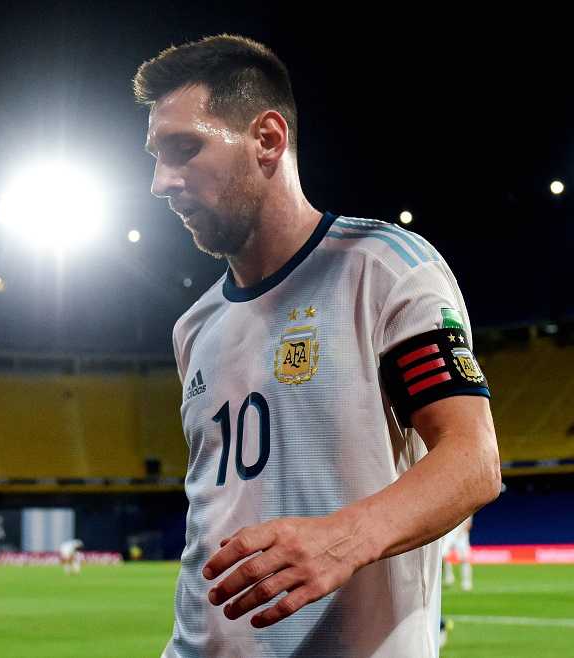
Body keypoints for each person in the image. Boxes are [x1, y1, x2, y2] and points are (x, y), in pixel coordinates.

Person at [132, 34, 501, 656]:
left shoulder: (381, 268)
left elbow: (473, 461)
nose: (161, 182)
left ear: (268, 140)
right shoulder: (193, 326)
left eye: (184, 149)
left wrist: (343, 536)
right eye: (155, 156)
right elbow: (212, 516)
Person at [442, 515, 474, 591]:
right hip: (449, 536)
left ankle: (467, 582)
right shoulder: (448, 509)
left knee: (464, 559)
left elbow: (469, 523)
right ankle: (449, 576)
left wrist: (463, 532)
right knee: (442, 556)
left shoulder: (467, 508)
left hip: (462, 536)